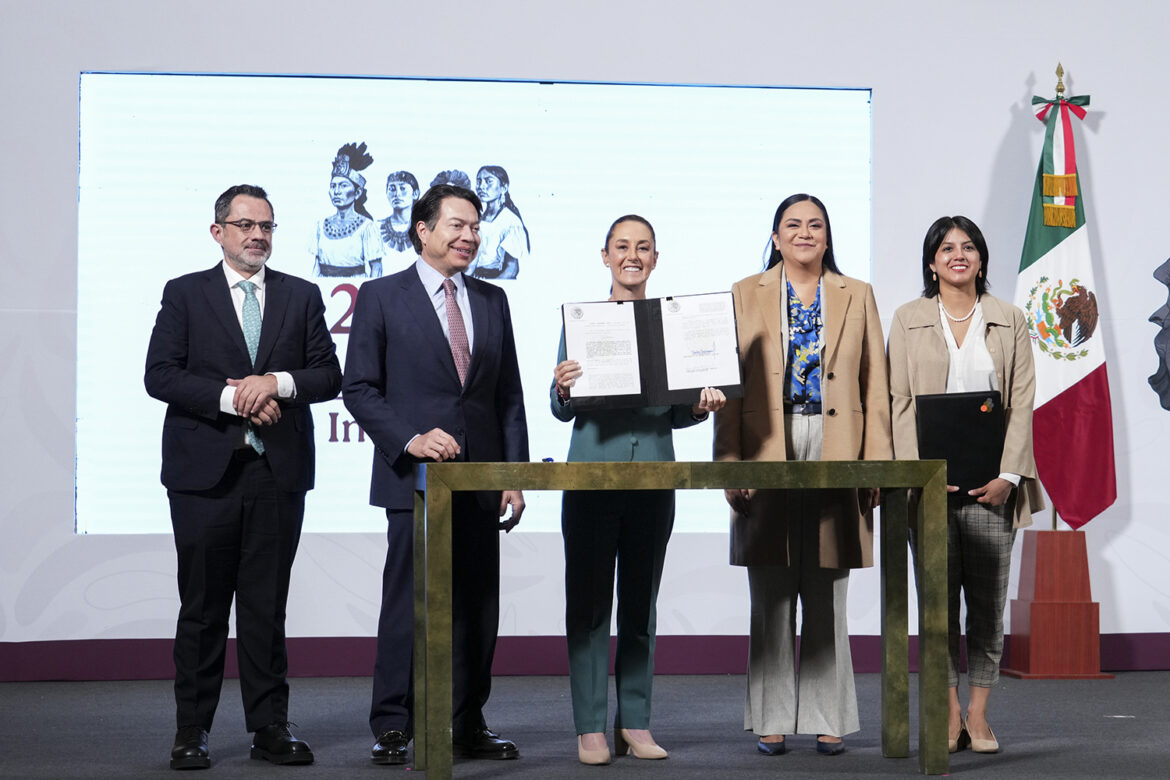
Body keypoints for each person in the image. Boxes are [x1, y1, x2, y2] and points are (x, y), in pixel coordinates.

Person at [144, 184, 342, 769]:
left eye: (268, 226)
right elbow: (160, 376)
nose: (258, 235)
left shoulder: (301, 296)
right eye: (246, 224)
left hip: (276, 474)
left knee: (266, 607)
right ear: (219, 232)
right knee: (202, 608)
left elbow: (327, 375)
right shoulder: (185, 294)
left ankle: (270, 728)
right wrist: (235, 398)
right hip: (204, 475)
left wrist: (275, 383)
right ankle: (192, 732)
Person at [342, 184, 529, 765]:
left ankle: (465, 722)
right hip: (414, 481)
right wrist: (410, 439)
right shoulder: (380, 296)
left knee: (478, 605)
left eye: (475, 226)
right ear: (422, 230)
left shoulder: (494, 300)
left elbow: (509, 400)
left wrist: (514, 476)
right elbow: (359, 388)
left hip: (479, 482)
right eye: (456, 225)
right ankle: (395, 724)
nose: (469, 236)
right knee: (409, 604)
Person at [714, 193, 891, 756]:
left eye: (815, 225)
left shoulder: (857, 294)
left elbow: (875, 385)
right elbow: (727, 383)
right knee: (769, 586)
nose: (805, 233)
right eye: (793, 225)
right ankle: (769, 716)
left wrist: (876, 463)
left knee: (828, 586)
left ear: (828, 236)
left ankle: (827, 714)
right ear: (775, 236)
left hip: (837, 443)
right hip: (767, 441)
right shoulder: (745, 292)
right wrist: (729, 463)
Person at [551, 215, 725, 765]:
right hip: (590, 477)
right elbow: (561, 406)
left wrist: (700, 405)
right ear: (604, 256)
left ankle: (636, 722)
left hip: (654, 476)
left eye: (643, 247)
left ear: (655, 258)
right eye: (622, 246)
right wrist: (560, 387)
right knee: (587, 604)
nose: (633, 255)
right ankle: (589, 727)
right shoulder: (581, 322)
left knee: (640, 605)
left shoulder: (672, 325)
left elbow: (674, 411)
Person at [887, 215, 1043, 754]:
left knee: (987, 605)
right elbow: (898, 403)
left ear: (981, 260)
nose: (959, 255)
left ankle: (978, 714)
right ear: (931, 262)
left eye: (969, 247)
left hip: (992, 487)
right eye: (946, 248)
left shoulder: (1010, 318)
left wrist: (1007, 477)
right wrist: (916, 475)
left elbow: (1021, 402)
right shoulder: (907, 319)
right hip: (928, 488)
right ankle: (947, 709)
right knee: (936, 608)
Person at [311, 141, 384, 278]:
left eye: (343, 185)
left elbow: (377, 269)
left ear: (357, 193)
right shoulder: (320, 226)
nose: (337, 191)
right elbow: (316, 268)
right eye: (333, 186)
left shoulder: (367, 227)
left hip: (356, 290)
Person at [471, 165, 529, 279]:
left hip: (494, 281)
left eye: (488, 181)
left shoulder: (510, 222)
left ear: (504, 187)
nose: (481, 186)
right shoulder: (475, 218)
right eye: (479, 181)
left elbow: (511, 269)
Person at [378, 170, 420, 270]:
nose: (397, 194)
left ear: (415, 193)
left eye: (402, 188)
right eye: (392, 189)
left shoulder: (426, 228)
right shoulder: (375, 228)